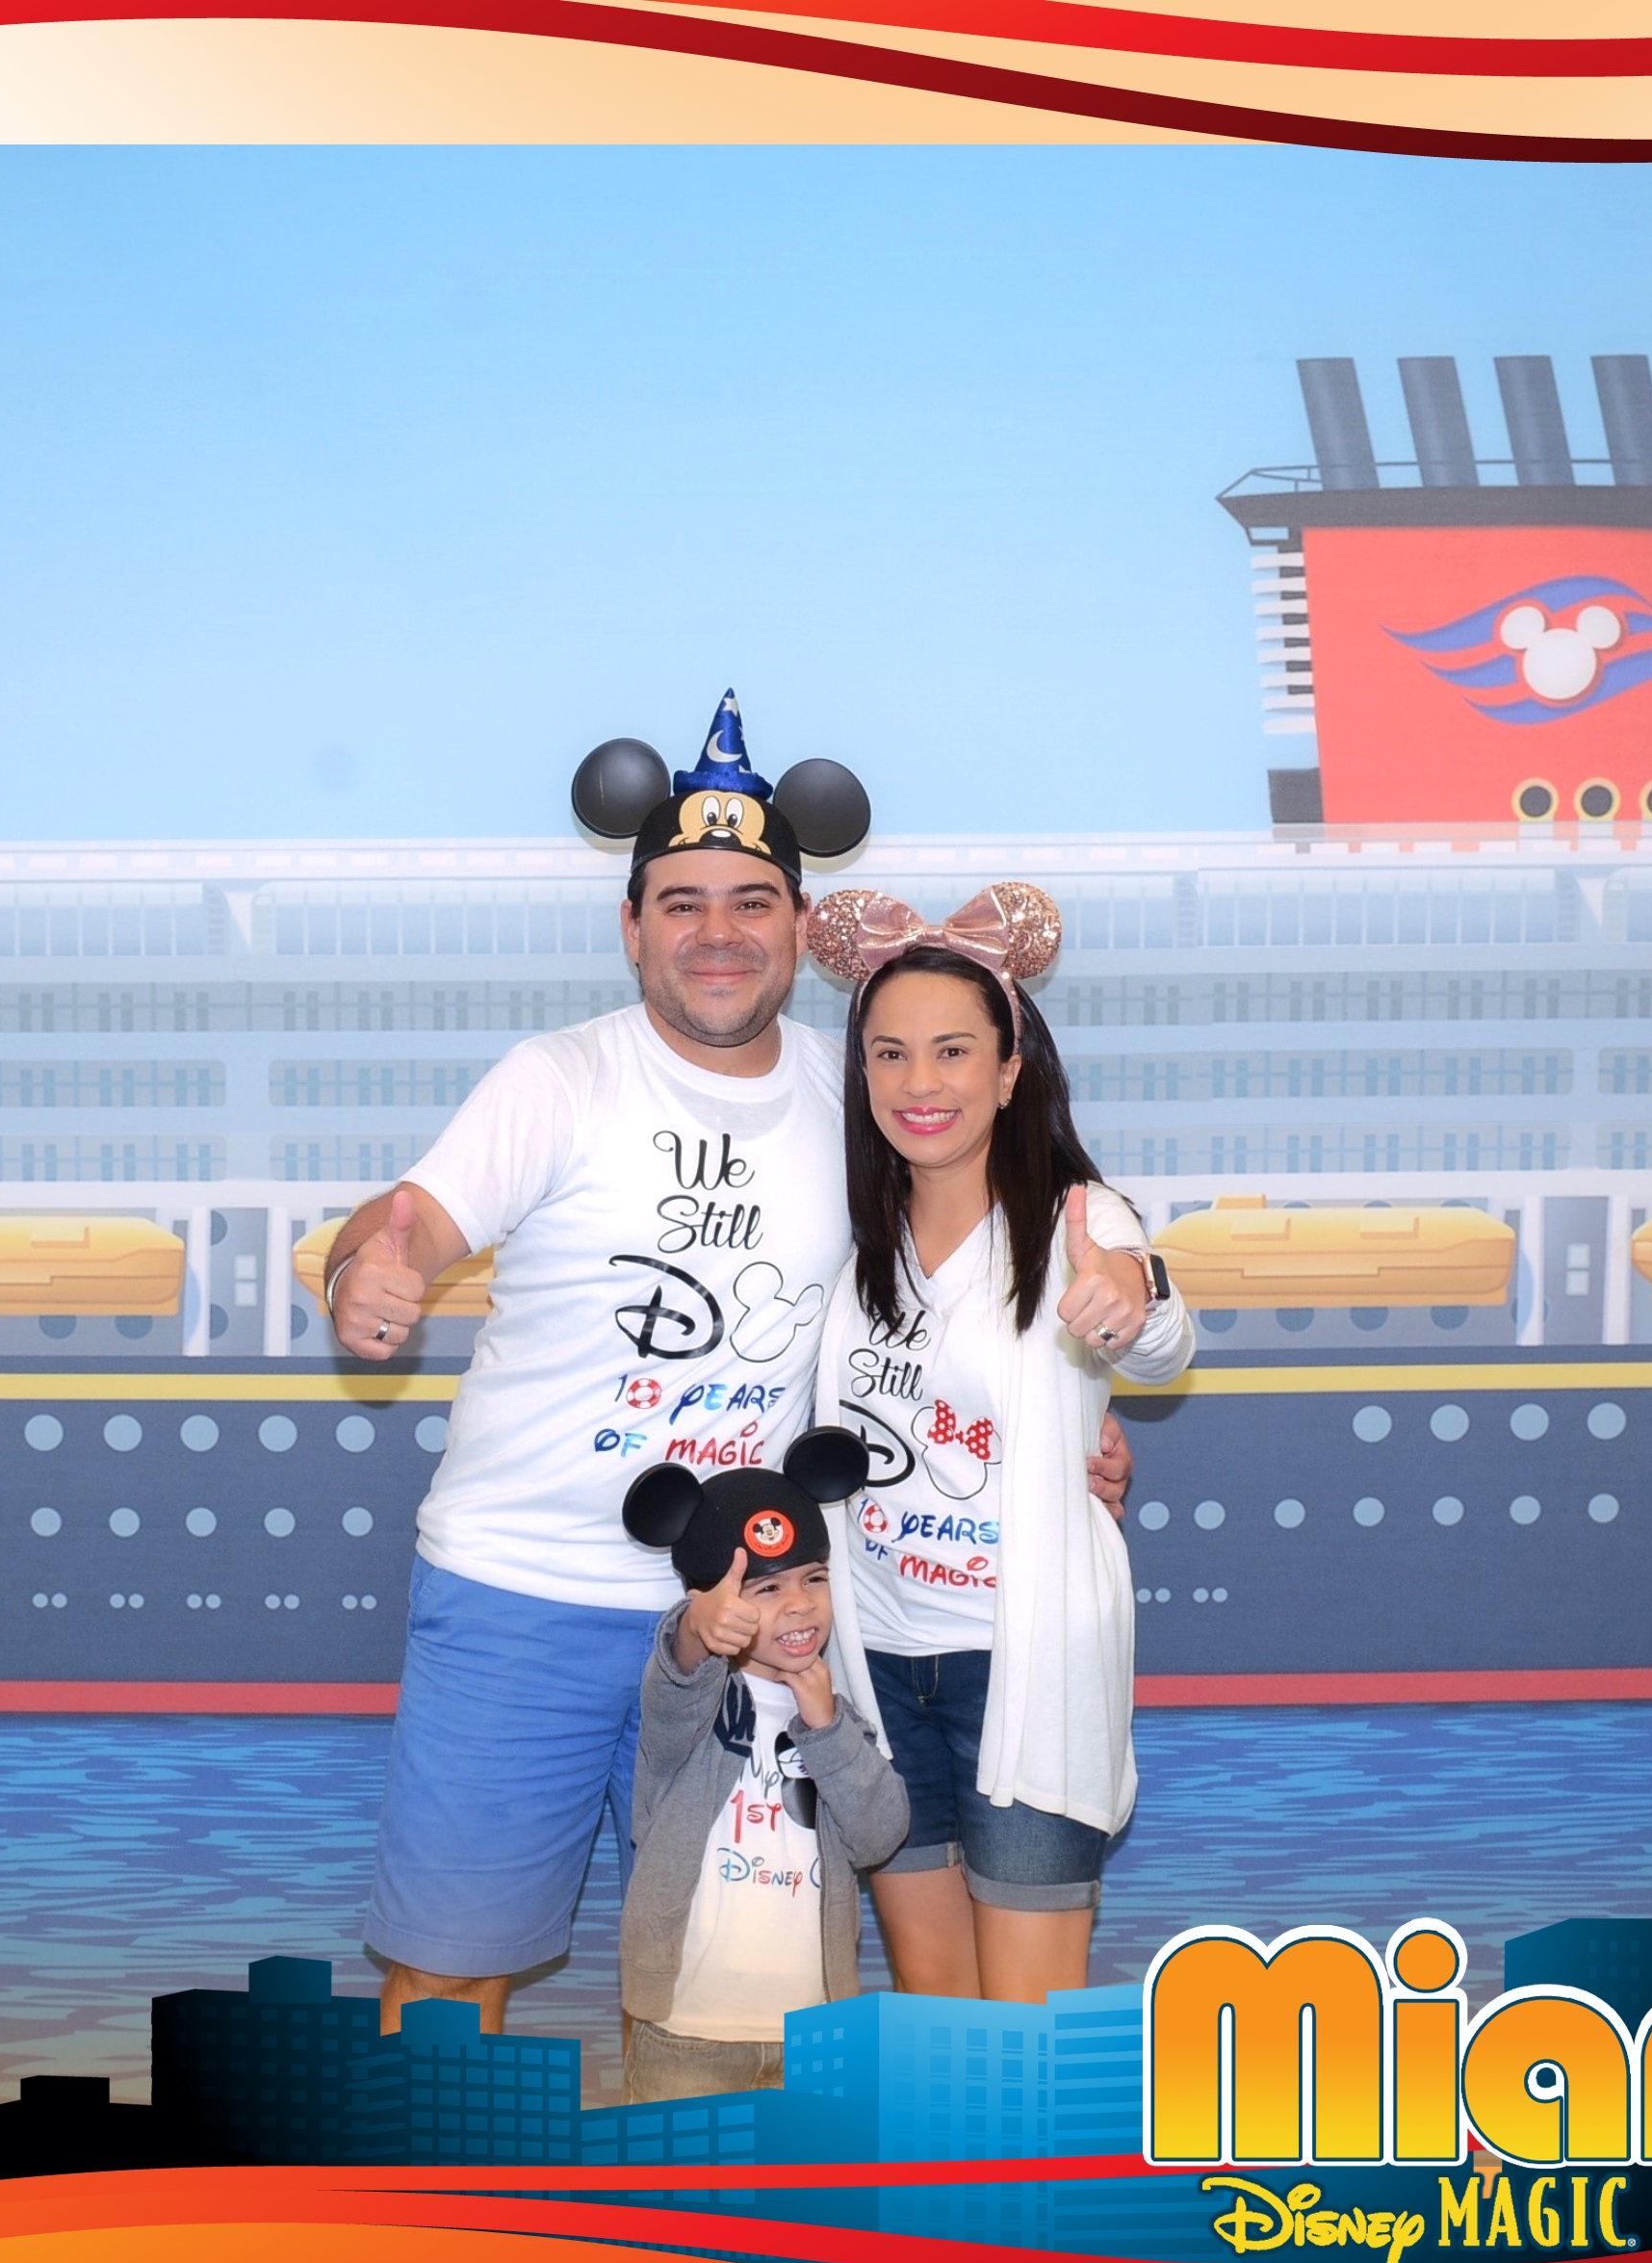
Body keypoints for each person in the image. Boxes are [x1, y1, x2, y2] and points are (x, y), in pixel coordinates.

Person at [319, 697, 1135, 2032]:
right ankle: (425, 2179)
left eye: (752, 902)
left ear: (800, 927)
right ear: (631, 924)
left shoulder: (859, 1095)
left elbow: (940, 1311)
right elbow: (406, 1222)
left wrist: (1064, 1428)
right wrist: (363, 1272)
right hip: (525, 1596)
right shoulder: (557, 1080)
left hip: (759, 1610)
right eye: (682, 903)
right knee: (453, 1970)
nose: (718, 933)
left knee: (736, 1996)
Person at [807, 882, 1196, 2007]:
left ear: (1011, 1068)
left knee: (1027, 2018)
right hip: (878, 1673)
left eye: (952, 1052)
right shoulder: (853, 1241)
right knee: (935, 2007)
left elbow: (1161, 1340)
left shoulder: (1079, 1218)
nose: (920, 1085)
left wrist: (1132, 1298)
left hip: (1023, 1673)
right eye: (889, 1055)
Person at [613, 1432, 909, 2100]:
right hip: (686, 2035)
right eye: (767, 1588)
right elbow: (678, 1673)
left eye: (814, 1579)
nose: (799, 1604)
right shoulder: (697, 1705)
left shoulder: (839, 1718)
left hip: (814, 2036)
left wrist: (827, 1728)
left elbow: (879, 1835)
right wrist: (696, 1627)